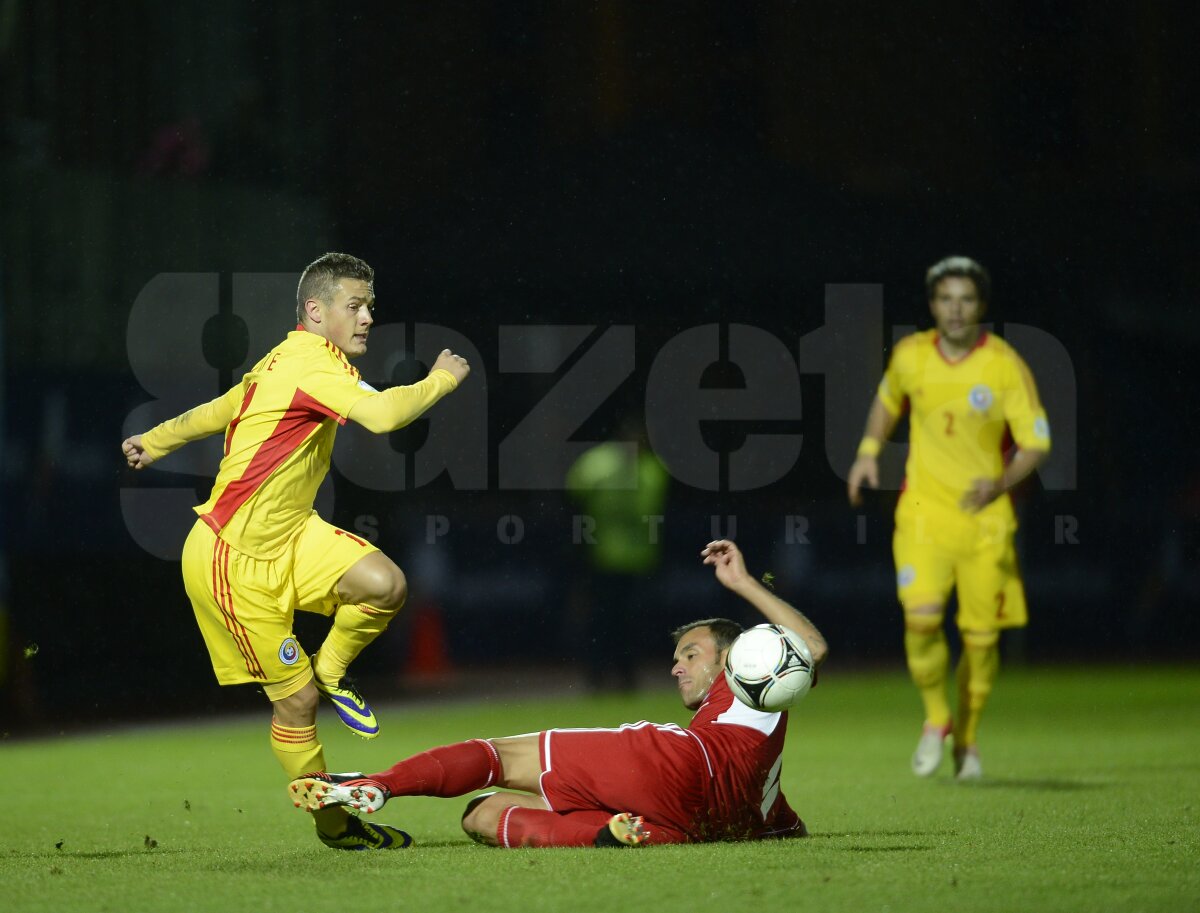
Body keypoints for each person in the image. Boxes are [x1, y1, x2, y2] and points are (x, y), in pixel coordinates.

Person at [121, 252, 470, 849]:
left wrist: (157, 439)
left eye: (369, 307)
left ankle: (331, 667)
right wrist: (442, 378)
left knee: (385, 585)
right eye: (354, 306)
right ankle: (335, 826)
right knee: (297, 702)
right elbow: (384, 416)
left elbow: (224, 406)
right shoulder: (309, 366)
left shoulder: (294, 359)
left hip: (292, 535)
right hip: (232, 558)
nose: (367, 318)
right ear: (315, 309)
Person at [288, 539, 828, 847]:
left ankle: (376, 783)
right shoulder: (766, 784)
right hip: (699, 823)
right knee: (481, 815)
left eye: (690, 654)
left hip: (673, 762)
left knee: (498, 757)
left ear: (735, 657)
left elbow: (812, 647)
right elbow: (788, 827)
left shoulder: (747, 671)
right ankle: (604, 835)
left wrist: (742, 584)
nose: (676, 667)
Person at [847, 256, 1050, 781]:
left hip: (986, 521)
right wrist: (868, 451)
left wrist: (1001, 482)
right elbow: (887, 402)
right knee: (921, 619)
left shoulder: (1004, 364)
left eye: (965, 299)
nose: (955, 309)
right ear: (933, 305)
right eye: (945, 299)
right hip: (923, 513)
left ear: (980, 306)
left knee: (981, 641)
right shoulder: (912, 355)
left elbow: (1036, 443)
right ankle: (937, 718)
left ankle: (968, 738)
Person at [565, 411, 670, 690]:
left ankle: (623, 676)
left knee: (626, 623)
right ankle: (600, 676)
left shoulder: (648, 470)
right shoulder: (602, 464)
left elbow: (655, 513)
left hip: (635, 561)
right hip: (604, 558)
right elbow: (572, 501)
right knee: (605, 621)